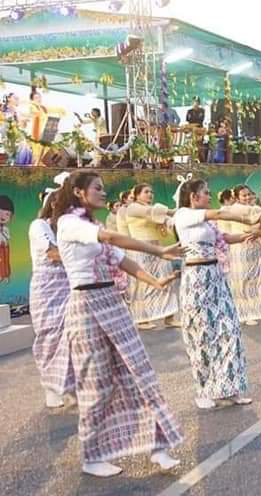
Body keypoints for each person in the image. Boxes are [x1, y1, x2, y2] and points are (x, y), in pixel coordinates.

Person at [53, 171, 184, 477]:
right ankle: (92, 455)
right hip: (85, 307)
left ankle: (158, 447)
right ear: (79, 193)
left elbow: (122, 260)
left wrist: (156, 281)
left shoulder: (92, 225)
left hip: (112, 303)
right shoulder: (69, 223)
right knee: (95, 384)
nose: (103, 192)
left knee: (140, 372)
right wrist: (160, 249)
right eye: (97, 188)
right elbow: (111, 238)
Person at [173, 179, 261, 409]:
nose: (209, 196)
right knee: (201, 336)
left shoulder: (208, 224)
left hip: (216, 277)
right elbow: (219, 213)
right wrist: (246, 217)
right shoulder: (183, 215)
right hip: (196, 279)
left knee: (230, 330)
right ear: (193, 196)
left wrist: (253, 233)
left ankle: (230, 387)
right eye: (205, 193)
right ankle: (203, 390)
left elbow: (225, 239)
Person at [28, 190, 75, 408]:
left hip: (69, 285)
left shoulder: (67, 228)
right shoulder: (39, 226)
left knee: (73, 335)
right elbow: (53, 254)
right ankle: (51, 386)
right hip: (46, 288)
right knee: (49, 336)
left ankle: (73, 386)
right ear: (53, 204)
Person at [226, 185, 261, 324]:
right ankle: (246, 314)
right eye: (243, 195)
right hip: (240, 249)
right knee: (244, 282)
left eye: (249, 195)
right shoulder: (232, 211)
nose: (247, 198)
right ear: (236, 197)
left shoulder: (256, 210)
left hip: (256, 248)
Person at [124, 184, 179, 330]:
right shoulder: (133, 207)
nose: (150, 194)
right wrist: (172, 212)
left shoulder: (156, 210)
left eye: (151, 192)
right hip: (140, 248)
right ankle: (142, 319)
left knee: (167, 278)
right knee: (143, 284)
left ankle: (170, 316)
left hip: (158, 248)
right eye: (146, 192)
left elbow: (165, 228)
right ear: (136, 195)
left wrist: (169, 223)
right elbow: (149, 211)